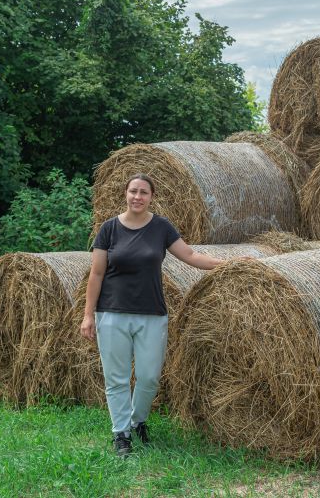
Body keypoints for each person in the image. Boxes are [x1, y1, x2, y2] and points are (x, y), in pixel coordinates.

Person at [80, 173, 223, 457]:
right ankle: (121, 434)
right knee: (116, 378)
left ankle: (138, 420)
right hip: (112, 313)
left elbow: (191, 256)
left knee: (149, 377)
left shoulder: (161, 227)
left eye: (143, 192)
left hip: (152, 313)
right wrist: (88, 315)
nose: (137, 197)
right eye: (133, 191)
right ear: (125, 193)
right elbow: (96, 275)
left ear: (151, 196)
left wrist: (226, 264)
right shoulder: (108, 230)